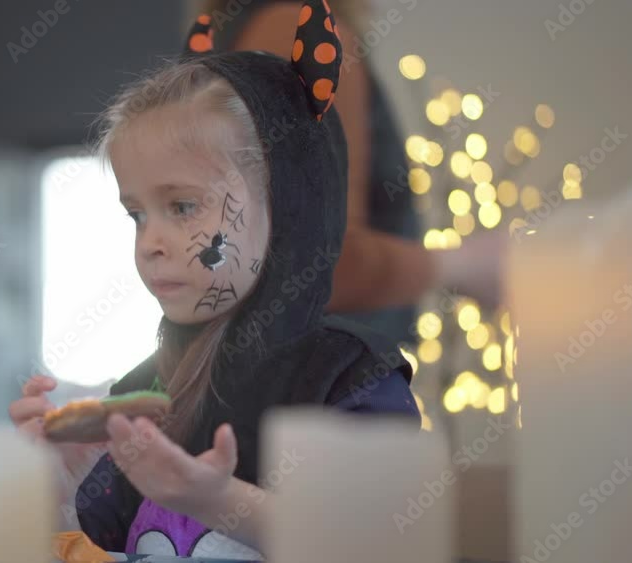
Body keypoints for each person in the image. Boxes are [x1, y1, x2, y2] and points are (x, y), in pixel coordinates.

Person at [8, 2, 418, 558]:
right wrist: (67, 475)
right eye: (137, 214)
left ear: (287, 209)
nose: (149, 240)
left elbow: (371, 544)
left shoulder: (350, 380)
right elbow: (102, 545)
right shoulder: (144, 390)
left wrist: (216, 499)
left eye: (181, 206)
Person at [203, 0, 506, 347]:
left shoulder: (235, 34)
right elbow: (317, 261)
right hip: (311, 383)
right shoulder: (301, 31)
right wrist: (462, 265)